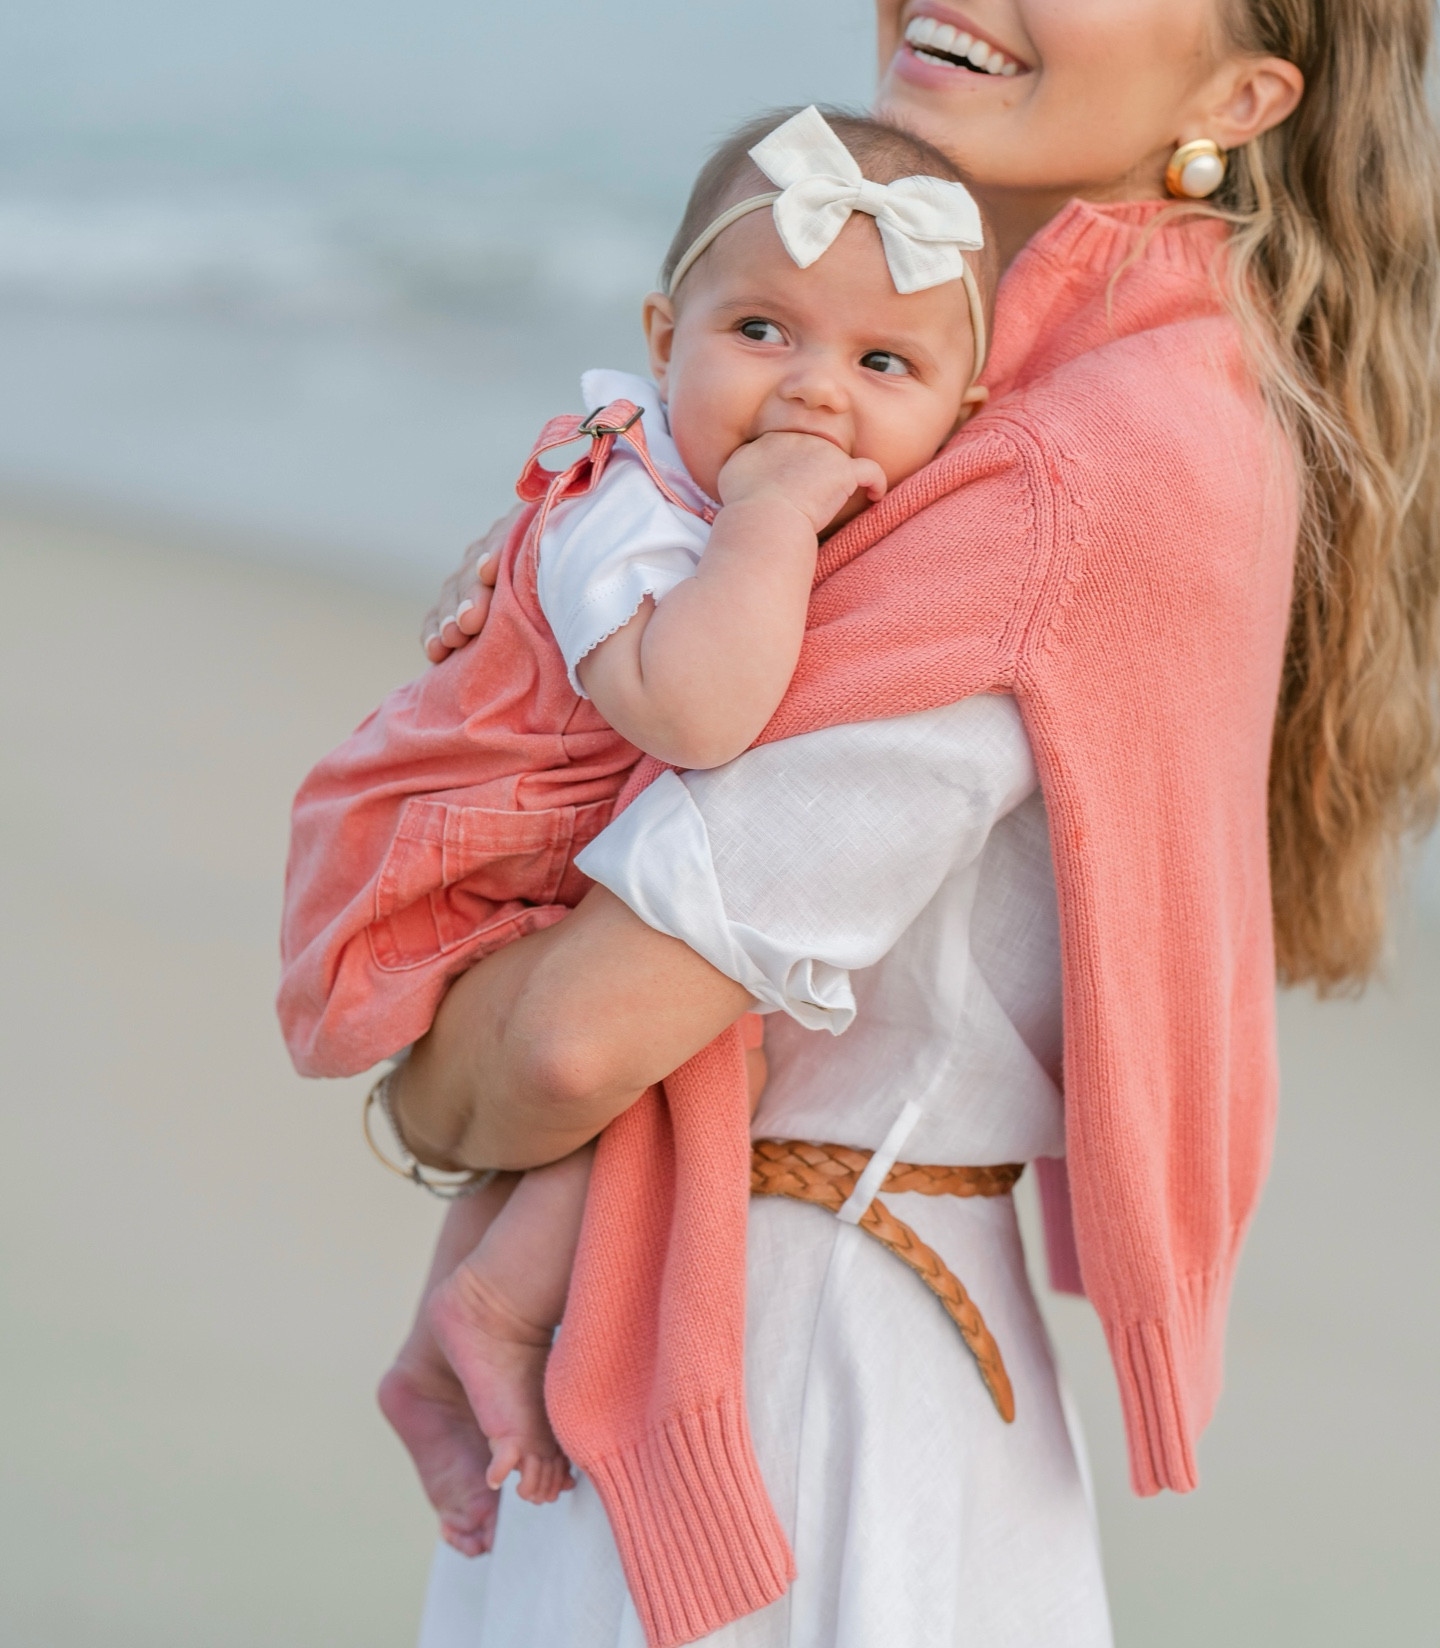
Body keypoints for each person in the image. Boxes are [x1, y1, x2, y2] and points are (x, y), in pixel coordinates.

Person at [291, 0, 1440, 1647]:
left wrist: (429, 1076)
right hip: (793, 1321)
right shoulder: (1070, 397)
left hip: (786, 1369)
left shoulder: (1063, 470)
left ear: (1234, 96)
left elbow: (580, 1037)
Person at [280, 104, 999, 1525]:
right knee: (696, 1027)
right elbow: (698, 715)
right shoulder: (638, 508)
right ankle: (490, 1303)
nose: (812, 395)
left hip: (550, 859)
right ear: (664, 333)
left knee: (698, 1019)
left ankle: (448, 1346)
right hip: (464, 855)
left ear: (965, 418)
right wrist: (777, 524)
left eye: (881, 363)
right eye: (762, 334)